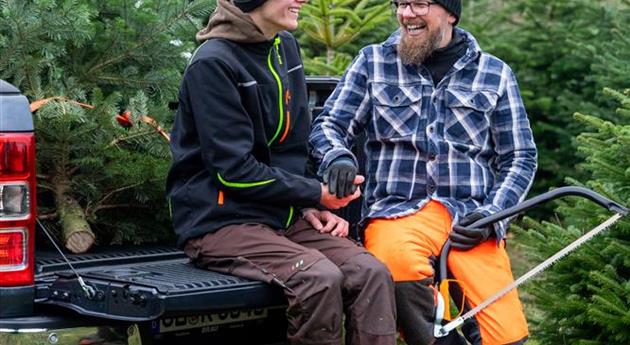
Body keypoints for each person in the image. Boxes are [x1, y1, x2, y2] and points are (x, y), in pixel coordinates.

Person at [165, 0, 397, 344]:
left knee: (370, 271)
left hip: (281, 218)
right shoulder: (213, 64)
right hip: (219, 222)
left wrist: (310, 205)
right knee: (317, 277)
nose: (300, 0)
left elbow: (294, 146)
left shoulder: (283, 46)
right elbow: (232, 171)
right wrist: (315, 193)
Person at [309, 0, 538, 344]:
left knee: (506, 335)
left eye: (418, 3)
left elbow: (520, 157)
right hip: (398, 213)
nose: (406, 13)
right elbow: (329, 125)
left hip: (470, 220)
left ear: (450, 12)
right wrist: (337, 156)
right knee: (396, 269)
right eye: (400, 4)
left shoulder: (494, 73)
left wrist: (492, 216)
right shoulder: (373, 62)